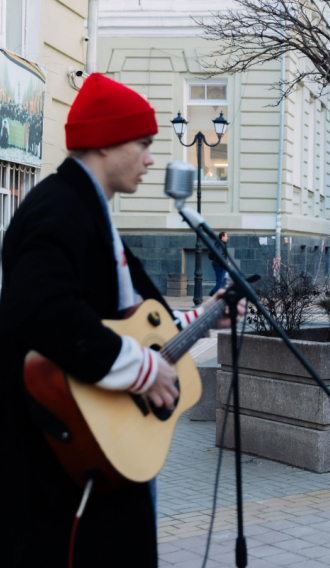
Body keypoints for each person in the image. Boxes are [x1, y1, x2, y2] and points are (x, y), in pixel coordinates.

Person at [0, 74, 246, 567]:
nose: (152, 159)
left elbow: (132, 319)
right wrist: (143, 370)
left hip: (98, 458)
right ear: (107, 142)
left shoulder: (90, 210)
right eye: (144, 143)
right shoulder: (59, 207)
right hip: (60, 461)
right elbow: (42, 310)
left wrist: (207, 317)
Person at [210, 231, 229, 295]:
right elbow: (219, 256)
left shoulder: (221, 244)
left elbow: (223, 255)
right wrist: (226, 263)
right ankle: (216, 297)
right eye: (226, 236)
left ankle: (212, 293)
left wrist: (226, 262)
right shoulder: (219, 244)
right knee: (220, 281)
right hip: (219, 265)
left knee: (223, 281)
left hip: (221, 265)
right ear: (222, 237)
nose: (227, 238)